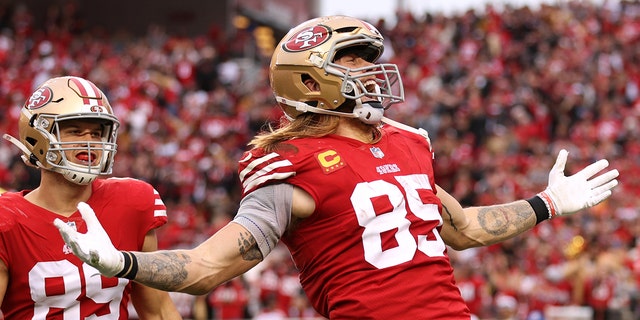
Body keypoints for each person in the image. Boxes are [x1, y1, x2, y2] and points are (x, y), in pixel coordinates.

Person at [55, 16, 620, 319]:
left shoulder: (406, 142)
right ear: (308, 82)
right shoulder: (290, 166)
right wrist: (123, 262)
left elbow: (464, 229)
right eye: (350, 63)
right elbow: (208, 268)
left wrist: (546, 204)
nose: (369, 74)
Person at [0, 76, 182, 319]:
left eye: (97, 133)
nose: (90, 142)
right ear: (38, 136)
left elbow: (158, 311)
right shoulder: (7, 220)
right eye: (75, 131)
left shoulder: (132, 202)